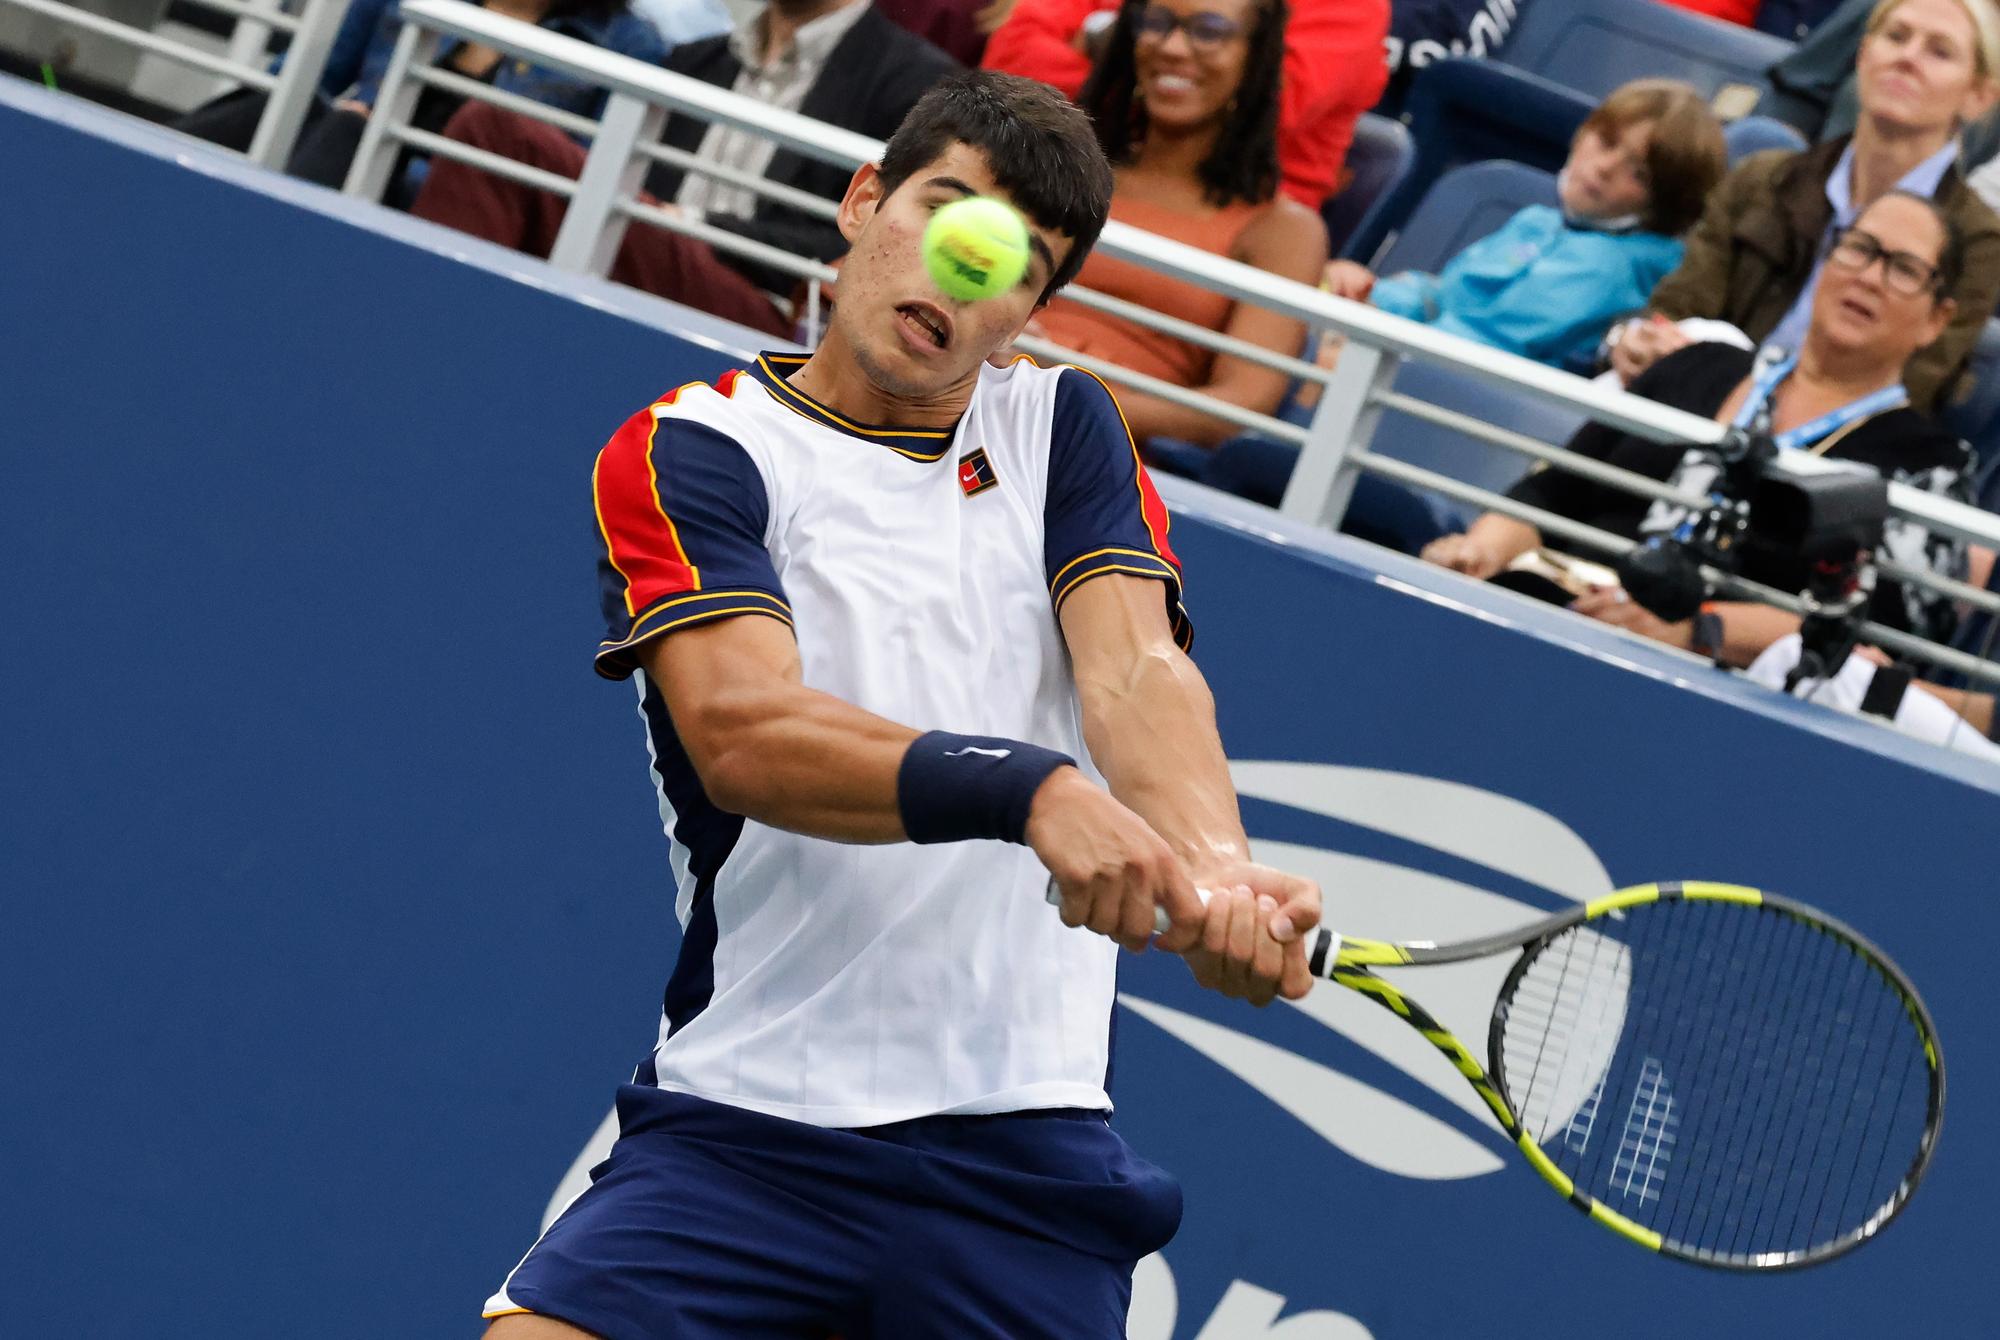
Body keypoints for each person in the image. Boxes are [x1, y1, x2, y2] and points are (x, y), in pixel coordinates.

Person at [480, 71, 1321, 1340]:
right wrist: (1028, 789)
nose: (963, 271)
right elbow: (743, 733)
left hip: (1021, 1162)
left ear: (1033, 311)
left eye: (1015, 264)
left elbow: (1134, 668)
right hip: (744, 1128)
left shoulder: (1060, 429)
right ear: (860, 200)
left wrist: (1216, 876)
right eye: (944, 212)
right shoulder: (697, 449)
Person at [1424, 191, 1971, 669]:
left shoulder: (1929, 466)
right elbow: (1551, 491)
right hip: (1547, 609)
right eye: (1859, 247)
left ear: (1936, 320)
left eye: (1903, 269)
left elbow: (1878, 633)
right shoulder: (1699, 363)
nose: (1869, 277)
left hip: (1716, 680)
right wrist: (1479, 551)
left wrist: (1694, 630)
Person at [412, 0, 960, 338]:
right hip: (635, 250)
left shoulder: (916, 84)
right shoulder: (696, 57)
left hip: (764, 309)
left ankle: (426, 329)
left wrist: (693, 222)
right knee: (509, 163)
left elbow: (876, 244)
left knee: (496, 130)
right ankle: (449, 334)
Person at [1612, 0, 2000, 412]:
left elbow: (1908, 394)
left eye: (1939, 51)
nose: (1907, 58)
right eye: (1896, 37)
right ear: (1864, 55)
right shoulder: (1762, 178)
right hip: (1686, 405)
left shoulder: (1978, 240)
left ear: (1979, 96)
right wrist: (1638, 340)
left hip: (1821, 451)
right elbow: (1674, 310)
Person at [1026, 0, 1328, 447]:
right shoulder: (1061, 165)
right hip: (969, 397)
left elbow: (1238, 406)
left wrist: (1059, 398)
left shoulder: (1281, 230)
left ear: (1255, 56)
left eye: (1209, 31)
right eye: (1156, 22)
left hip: (1106, 453)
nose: (1172, 46)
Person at [1319, 78, 1726, 369]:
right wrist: (1374, 295)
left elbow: (1488, 348)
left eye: (1638, 174)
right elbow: (1444, 298)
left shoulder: (1609, 268)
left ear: (1664, 205)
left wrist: (1370, 345)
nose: (1603, 169)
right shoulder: (1539, 223)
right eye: (1605, 141)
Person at [171, 0, 672, 196]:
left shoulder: (629, 43)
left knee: (348, 131)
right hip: (339, 150)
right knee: (283, 109)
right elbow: (309, 78)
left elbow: (579, 175)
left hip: (464, 194)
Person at [981, 0, 1388, 210]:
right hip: (1051, 175)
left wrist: (1098, 45)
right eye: (1155, 26)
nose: (1172, 50)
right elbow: (1010, 62)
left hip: (1233, 233)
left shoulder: (1351, 7)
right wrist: (1143, 75)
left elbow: (1250, 110)